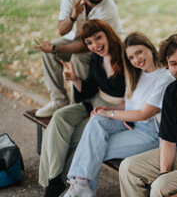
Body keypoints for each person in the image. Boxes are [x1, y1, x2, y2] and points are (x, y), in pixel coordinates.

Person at [63, 32, 175, 197]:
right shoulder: (139, 73)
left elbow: (144, 113)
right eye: (131, 57)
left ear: (150, 48)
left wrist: (112, 114)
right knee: (96, 122)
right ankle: (81, 185)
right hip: (133, 127)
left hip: (150, 134)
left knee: (93, 149)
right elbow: (131, 105)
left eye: (139, 52)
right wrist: (106, 111)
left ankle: (80, 187)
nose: (136, 60)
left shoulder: (163, 78)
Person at [38, 19, 126, 197]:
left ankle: (61, 186)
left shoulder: (125, 57)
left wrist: (112, 110)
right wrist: (75, 79)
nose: (95, 45)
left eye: (98, 38)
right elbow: (89, 90)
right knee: (59, 118)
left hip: (114, 109)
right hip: (94, 101)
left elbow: (136, 96)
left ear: (108, 34)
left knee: (77, 138)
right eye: (89, 43)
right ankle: (54, 179)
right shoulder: (96, 58)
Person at [119, 34, 177, 197]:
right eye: (173, 63)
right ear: (167, 66)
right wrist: (165, 172)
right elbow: (168, 140)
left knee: (160, 187)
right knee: (128, 167)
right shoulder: (172, 91)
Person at [34, 0, 124, 117]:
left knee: (79, 57)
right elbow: (62, 30)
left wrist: (55, 49)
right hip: (78, 38)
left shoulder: (108, 9)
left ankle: (81, 104)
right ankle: (59, 101)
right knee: (48, 54)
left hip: (105, 45)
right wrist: (73, 15)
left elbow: (87, 46)